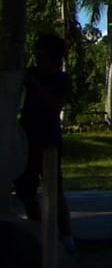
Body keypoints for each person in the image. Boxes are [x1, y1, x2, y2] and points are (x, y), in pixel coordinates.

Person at [14, 33, 76, 254]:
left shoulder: (60, 79)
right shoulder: (29, 74)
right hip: (26, 137)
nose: (39, 60)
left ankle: (65, 236)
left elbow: (56, 104)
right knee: (26, 189)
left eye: (43, 56)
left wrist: (36, 85)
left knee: (54, 188)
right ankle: (39, 230)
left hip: (49, 138)